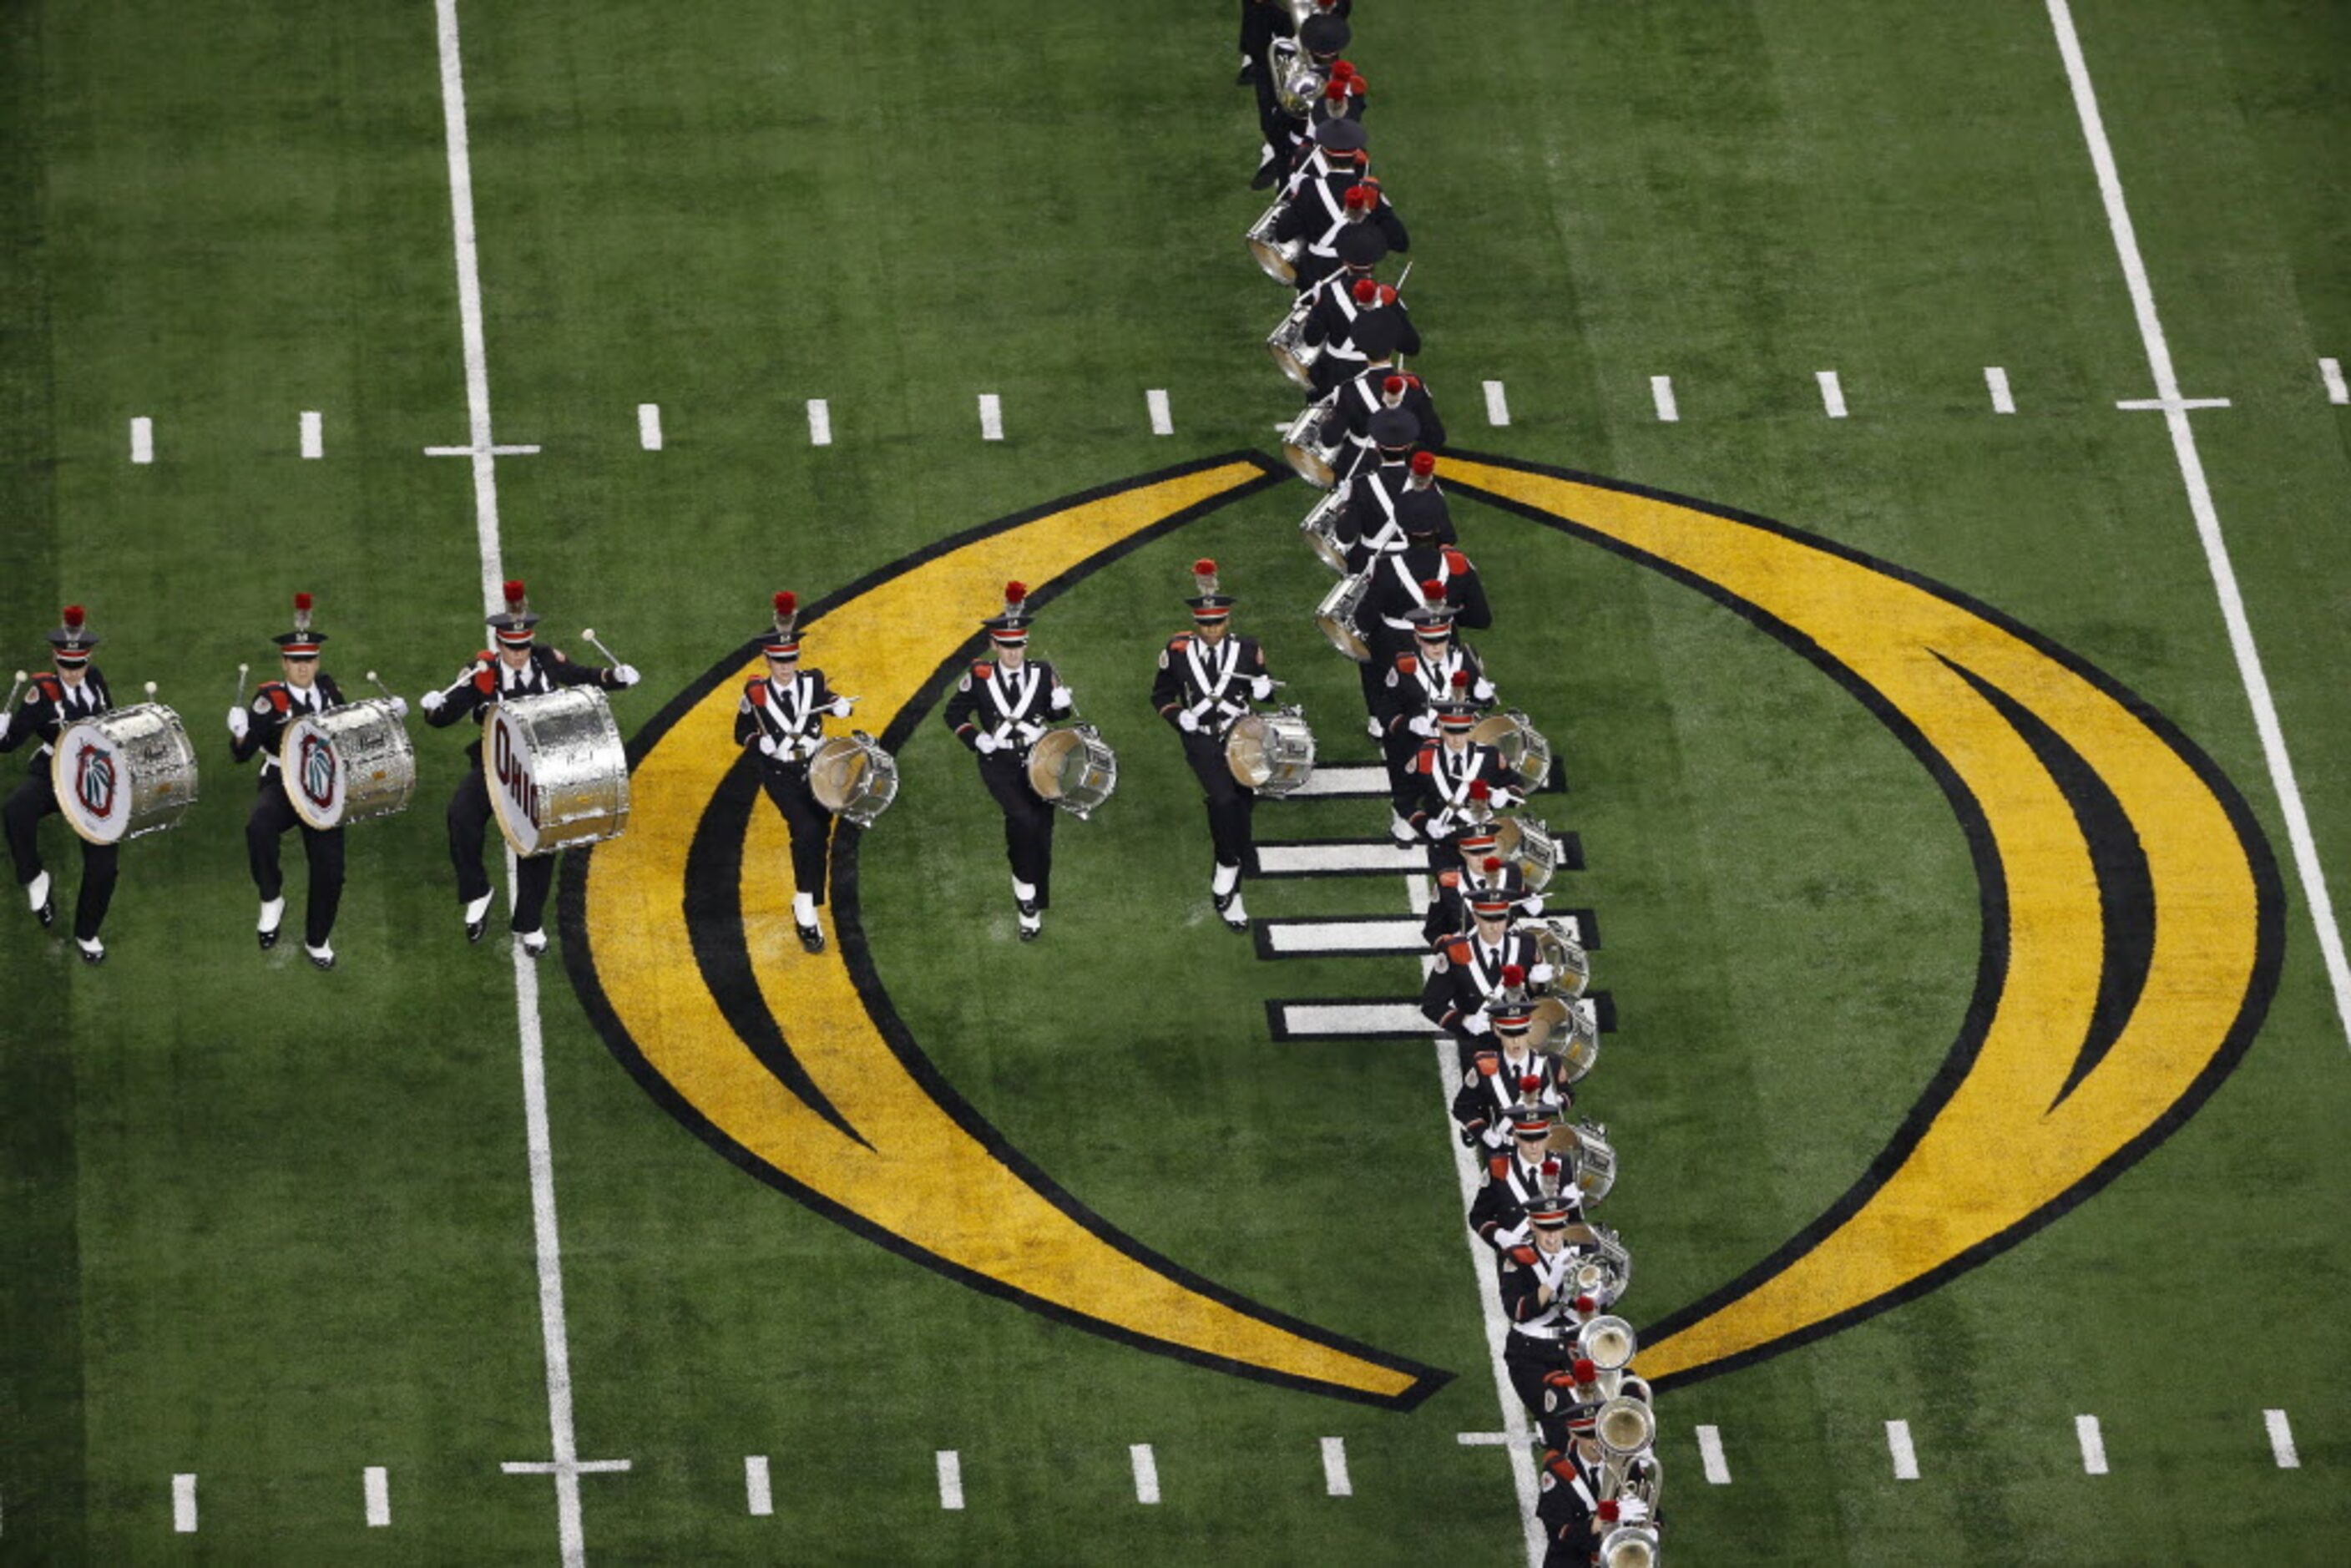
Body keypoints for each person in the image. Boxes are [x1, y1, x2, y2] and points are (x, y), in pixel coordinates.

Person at [421, 579, 639, 954]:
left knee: (538, 844)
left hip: (546, 772)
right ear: (498, 644)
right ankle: (477, 890)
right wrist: (433, 708)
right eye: (511, 648)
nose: (518, 656)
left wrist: (615, 677)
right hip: (494, 766)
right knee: (461, 815)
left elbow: (585, 678)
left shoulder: (546, 661)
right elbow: (445, 714)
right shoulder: (481, 672)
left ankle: (530, 923)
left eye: (523, 647)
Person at [226, 593, 400, 969]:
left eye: (308, 660)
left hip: (325, 786)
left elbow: (352, 731)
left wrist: (389, 714)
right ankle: (271, 898)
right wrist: (241, 734)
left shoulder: (329, 691)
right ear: (284, 662)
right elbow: (241, 755)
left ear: (317, 661)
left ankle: (316, 939)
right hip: (282, 781)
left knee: (331, 872)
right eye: (295, 661)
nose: (303, 668)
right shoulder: (268, 698)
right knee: (259, 826)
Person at [943, 581, 1075, 941]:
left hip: (1040, 759)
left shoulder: (1043, 672)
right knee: (1021, 819)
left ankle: (1034, 892)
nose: (1014, 653)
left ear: (1025, 644)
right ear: (993, 645)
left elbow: (1054, 715)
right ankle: (1025, 898)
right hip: (998, 762)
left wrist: (1061, 704)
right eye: (1007, 646)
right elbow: (953, 714)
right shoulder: (979, 677)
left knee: (1043, 829)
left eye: (1019, 645)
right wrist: (976, 738)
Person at [1149, 559, 1277, 932]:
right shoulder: (1175, 651)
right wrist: (1178, 717)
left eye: (1218, 622)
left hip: (1244, 737)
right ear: (1195, 623)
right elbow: (1160, 696)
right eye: (1205, 624)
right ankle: (1227, 867)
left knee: (1243, 808)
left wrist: (1262, 689)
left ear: (1228, 621)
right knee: (1222, 800)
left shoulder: (1247, 648)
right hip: (1202, 739)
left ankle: (1235, 872)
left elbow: (1262, 688)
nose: (1212, 630)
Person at [734, 591, 856, 954]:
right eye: (779, 661)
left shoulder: (812, 681)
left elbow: (830, 700)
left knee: (820, 832)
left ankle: (808, 897)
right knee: (805, 830)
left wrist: (841, 706)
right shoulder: (754, 692)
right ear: (767, 660)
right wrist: (759, 742)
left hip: (817, 767)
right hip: (780, 773)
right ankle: (806, 907)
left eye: (791, 660)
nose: (785, 668)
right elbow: (740, 732)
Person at [0, 605, 119, 962]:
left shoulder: (96, 679)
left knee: (104, 866)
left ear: (89, 658)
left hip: (94, 777)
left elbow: (110, 721)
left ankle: (87, 934)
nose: (72, 672)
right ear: (55, 658)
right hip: (53, 771)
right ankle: (35, 878)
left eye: (78, 665)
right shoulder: (41, 693)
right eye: (66, 665)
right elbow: (9, 743)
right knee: (16, 809)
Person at [1377, 593, 1494, 835]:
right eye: (1430, 641)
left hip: (1456, 739)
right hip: (1416, 742)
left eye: (1441, 639)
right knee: (1408, 780)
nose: (1437, 647)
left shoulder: (1464, 660)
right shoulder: (1404, 667)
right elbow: (1385, 711)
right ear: (1417, 638)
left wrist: (1485, 696)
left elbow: (1485, 704)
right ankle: (1404, 814)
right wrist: (1409, 724)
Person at [1407, 680, 1528, 872]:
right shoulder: (1424, 758)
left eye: (1462, 731)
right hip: (1443, 844)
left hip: (1483, 842)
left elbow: (1518, 786)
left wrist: (1506, 795)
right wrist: (1425, 824)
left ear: (1470, 728)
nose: (1457, 739)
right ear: (1439, 728)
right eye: (1450, 731)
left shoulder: (1489, 756)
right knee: (1451, 899)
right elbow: (1403, 800)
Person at [1424, 851, 1544, 946]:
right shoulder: (1449, 886)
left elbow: (1533, 910)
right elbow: (1432, 931)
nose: (1482, 858)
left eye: (1487, 851)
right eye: (1474, 853)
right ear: (1462, 852)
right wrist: (1450, 946)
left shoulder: (1511, 873)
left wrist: (1526, 894)